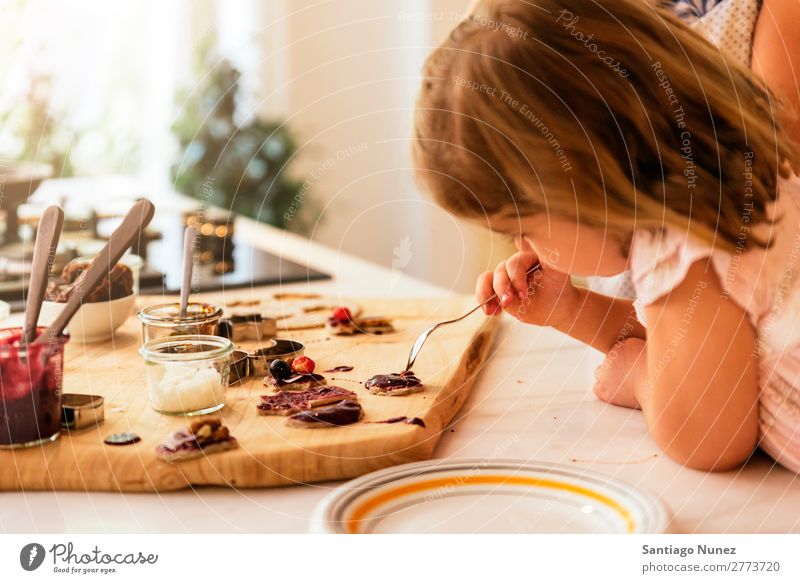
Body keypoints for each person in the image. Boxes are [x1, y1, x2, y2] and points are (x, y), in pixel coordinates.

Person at [413, 0, 800, 472]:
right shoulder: (730, 182)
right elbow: (707, 349)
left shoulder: (678, 242)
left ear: (582, 181)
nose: (524, 249)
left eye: (520, 228)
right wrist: (572, 310)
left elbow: (710, 436)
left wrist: (638, 377)